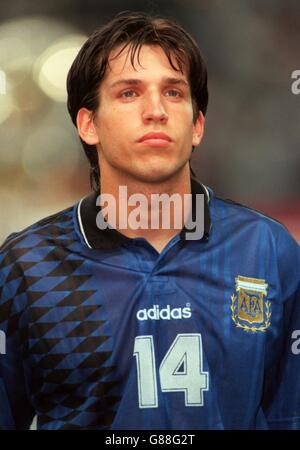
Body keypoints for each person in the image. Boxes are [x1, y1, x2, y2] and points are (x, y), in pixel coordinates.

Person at [0, 11, 299, 430]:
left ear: (197, 126)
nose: (156, 110)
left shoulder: (267, 249)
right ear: (88, 124)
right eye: (129, 93)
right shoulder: (27, 267)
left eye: (174, 93)